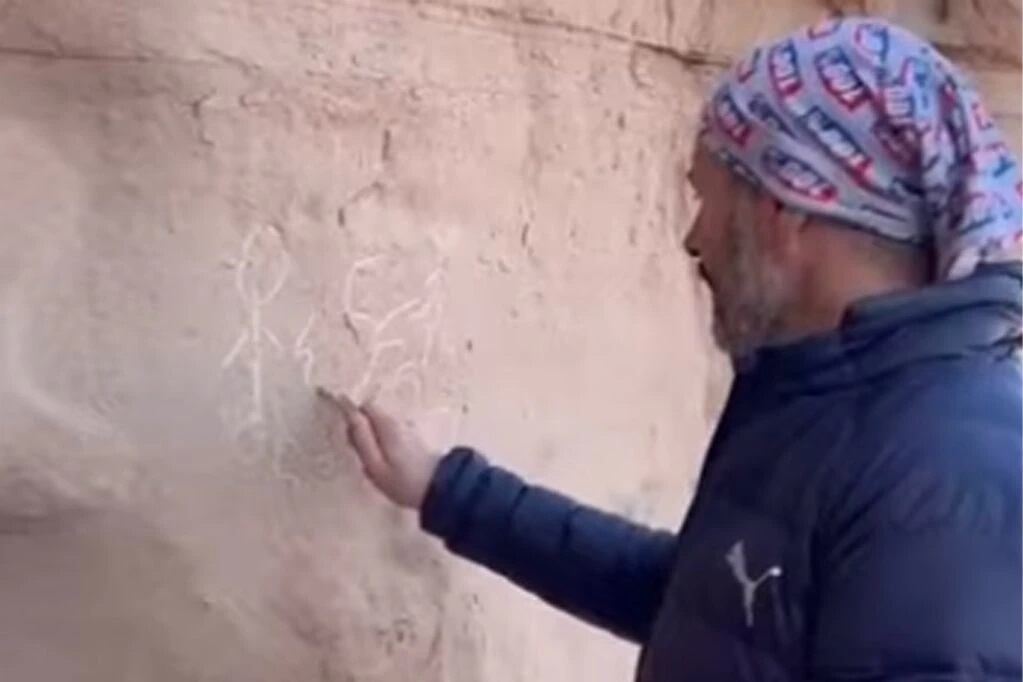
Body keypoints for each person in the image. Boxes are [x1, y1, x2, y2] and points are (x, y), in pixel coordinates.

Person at [328, 17, 1023, 681]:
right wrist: (450, 492)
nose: (694, 236)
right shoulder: (828, 399)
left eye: (709, 198)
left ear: (785, 211)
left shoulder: (946, 471)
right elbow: (704, 601)